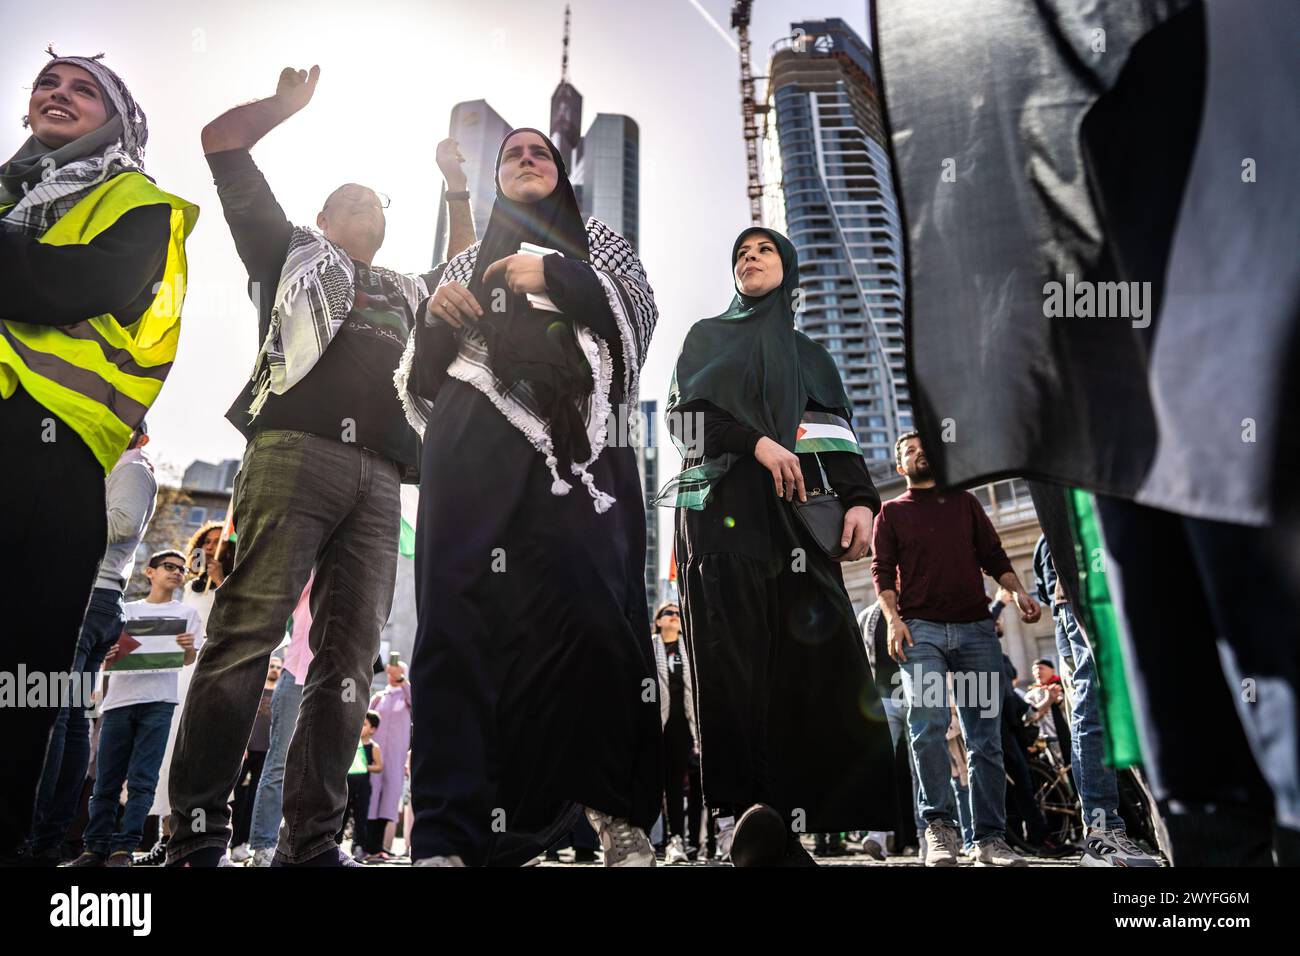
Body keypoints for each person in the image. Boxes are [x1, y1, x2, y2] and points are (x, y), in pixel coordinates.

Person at [163, 66, 474, 868]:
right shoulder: (287, 251)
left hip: (380, 480)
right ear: (323, 215)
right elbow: (221, 142)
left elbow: (465, 272)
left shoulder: (406, 288)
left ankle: (310, 843)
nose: (371, 208)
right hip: (293, 454)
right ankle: (195, 831)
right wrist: (284, 107)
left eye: (381, 202)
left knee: (346, 665)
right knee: (245, 636)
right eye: (355, 198)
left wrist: (454, 191)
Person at [397, 127, 661, 868]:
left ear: (562, 174)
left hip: (578, 447)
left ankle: (616, 818)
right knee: (455, 620)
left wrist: (547, 272)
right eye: (511, 152)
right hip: (468, 443)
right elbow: (416, 381)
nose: (525, 158)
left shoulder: (597, 242)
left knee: (596, 615)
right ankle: (449, 834)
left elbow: (636, 315)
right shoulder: (460, 260)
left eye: (538, 151)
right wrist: (433, 318)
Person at [0, 52, 197, 859]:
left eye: (85, 89)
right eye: (49, 84)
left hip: (49, 460)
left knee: (19, 678)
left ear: (117, 121)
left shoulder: (142, 205)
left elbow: (72, 287)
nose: (59, 94)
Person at [658, 227, 896, 867]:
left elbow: (837, 434)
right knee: (733, 662)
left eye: (763, 251)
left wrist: (863, 504)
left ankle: (793, 825)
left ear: (786, 269)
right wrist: (756, 443)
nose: (750, 258)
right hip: (723, 516)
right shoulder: (707, 336)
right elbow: (686, 418)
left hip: (797, 522)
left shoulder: (811, 355)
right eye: (741, 252)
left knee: (815, 658)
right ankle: (745, 823)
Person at [873, 431, 1043, 867]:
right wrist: (894, 621)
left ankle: (989, 839)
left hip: (975, 632)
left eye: (924, 448)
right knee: (927, 726)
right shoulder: (890, 513)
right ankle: (939, 832)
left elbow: (994, 555)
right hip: (921, 633)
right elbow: (882, 572)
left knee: (983, 739)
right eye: (909, 451)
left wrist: (1019, 592)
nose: (919, 454)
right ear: (900, 467)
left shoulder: (965, 503)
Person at [26, 423, 157, 864]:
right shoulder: (115, 466)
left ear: (137, 434)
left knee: (57, 717)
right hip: (90, 597)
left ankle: (40, 832)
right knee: (67, 717)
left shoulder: (134, 467)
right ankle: (48, 835)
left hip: (92, 598)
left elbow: (121, 525)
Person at [62, 551, 204, 867]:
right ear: (149, 572)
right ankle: (94, 848)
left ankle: (123, 849)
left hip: (160, 702)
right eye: (169, 567)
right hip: (118, 703)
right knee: (106, 781)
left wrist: (188, 649)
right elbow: (106, 661)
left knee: (143, 779)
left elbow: (188, 660)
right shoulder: (124, 611)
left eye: (181, 569)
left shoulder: (187, 613)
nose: (177, 572)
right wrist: (109, 654)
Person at [1032, 534, 1157, 866]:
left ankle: (1118, 829)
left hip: (1084, 593)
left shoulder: (1045, 543)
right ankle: (1103, 831)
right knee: (1097, 704)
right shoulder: (1058, 529)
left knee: (1104, 706)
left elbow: (1043, 591)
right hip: (1085, 592)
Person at [138, 520, 231, 865]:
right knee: (171, 749)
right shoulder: (192, 587)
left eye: (217, 542)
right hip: (183, 671)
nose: (210, 548)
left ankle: (205, 839)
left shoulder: (230, 583)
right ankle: (167, 835)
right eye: (205, 542)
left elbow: (234, 614)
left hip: (214, 670)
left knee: (204, 751)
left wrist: (222, 578)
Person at [245, 576, 315, 867]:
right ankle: (263, 845)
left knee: (316, 769)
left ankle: (307, 844)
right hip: (296, 677)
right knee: (279, 766)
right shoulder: (309, 575)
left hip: (330, 680)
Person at [651, 602, 699, 865]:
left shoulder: (688, 648)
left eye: (678, 613)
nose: (675, 617)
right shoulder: (649, 647)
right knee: (650, 783)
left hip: (681, 725)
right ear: (658, 621)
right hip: (655, 725)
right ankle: (646, 838)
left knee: (675, 785)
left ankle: (676, 840)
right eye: (669, 613)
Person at [229, 657, 280, 862]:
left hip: (267, 753)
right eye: (272, 666)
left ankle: (244, 844)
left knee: (256, 798)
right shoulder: (254, 688)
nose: (275, 670)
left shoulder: (281, 694)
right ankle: (231, 842)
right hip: (246, 750)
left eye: (279, 667)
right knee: (236, 796)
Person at [365, 659, 412, 859]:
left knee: (390, 799)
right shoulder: (379, 697)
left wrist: (403, 680)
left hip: (396, 757)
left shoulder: (408, 696)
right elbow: (366, 718)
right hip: (375, 756)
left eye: (399, 672)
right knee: (371, 798)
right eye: (393, 671)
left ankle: (380, 847)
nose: (394, 674)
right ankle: (366, 845)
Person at [338, 712, 383, 861]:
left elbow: (379, 766)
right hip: (347, 785)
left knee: (361, 817)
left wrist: (365, 766)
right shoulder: (351, 743)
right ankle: (336, 844)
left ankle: (358, 848)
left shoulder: (374, 747)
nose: (360, 727)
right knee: (341, 815)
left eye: (364, 725)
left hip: (364, 787)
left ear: (373, 729)